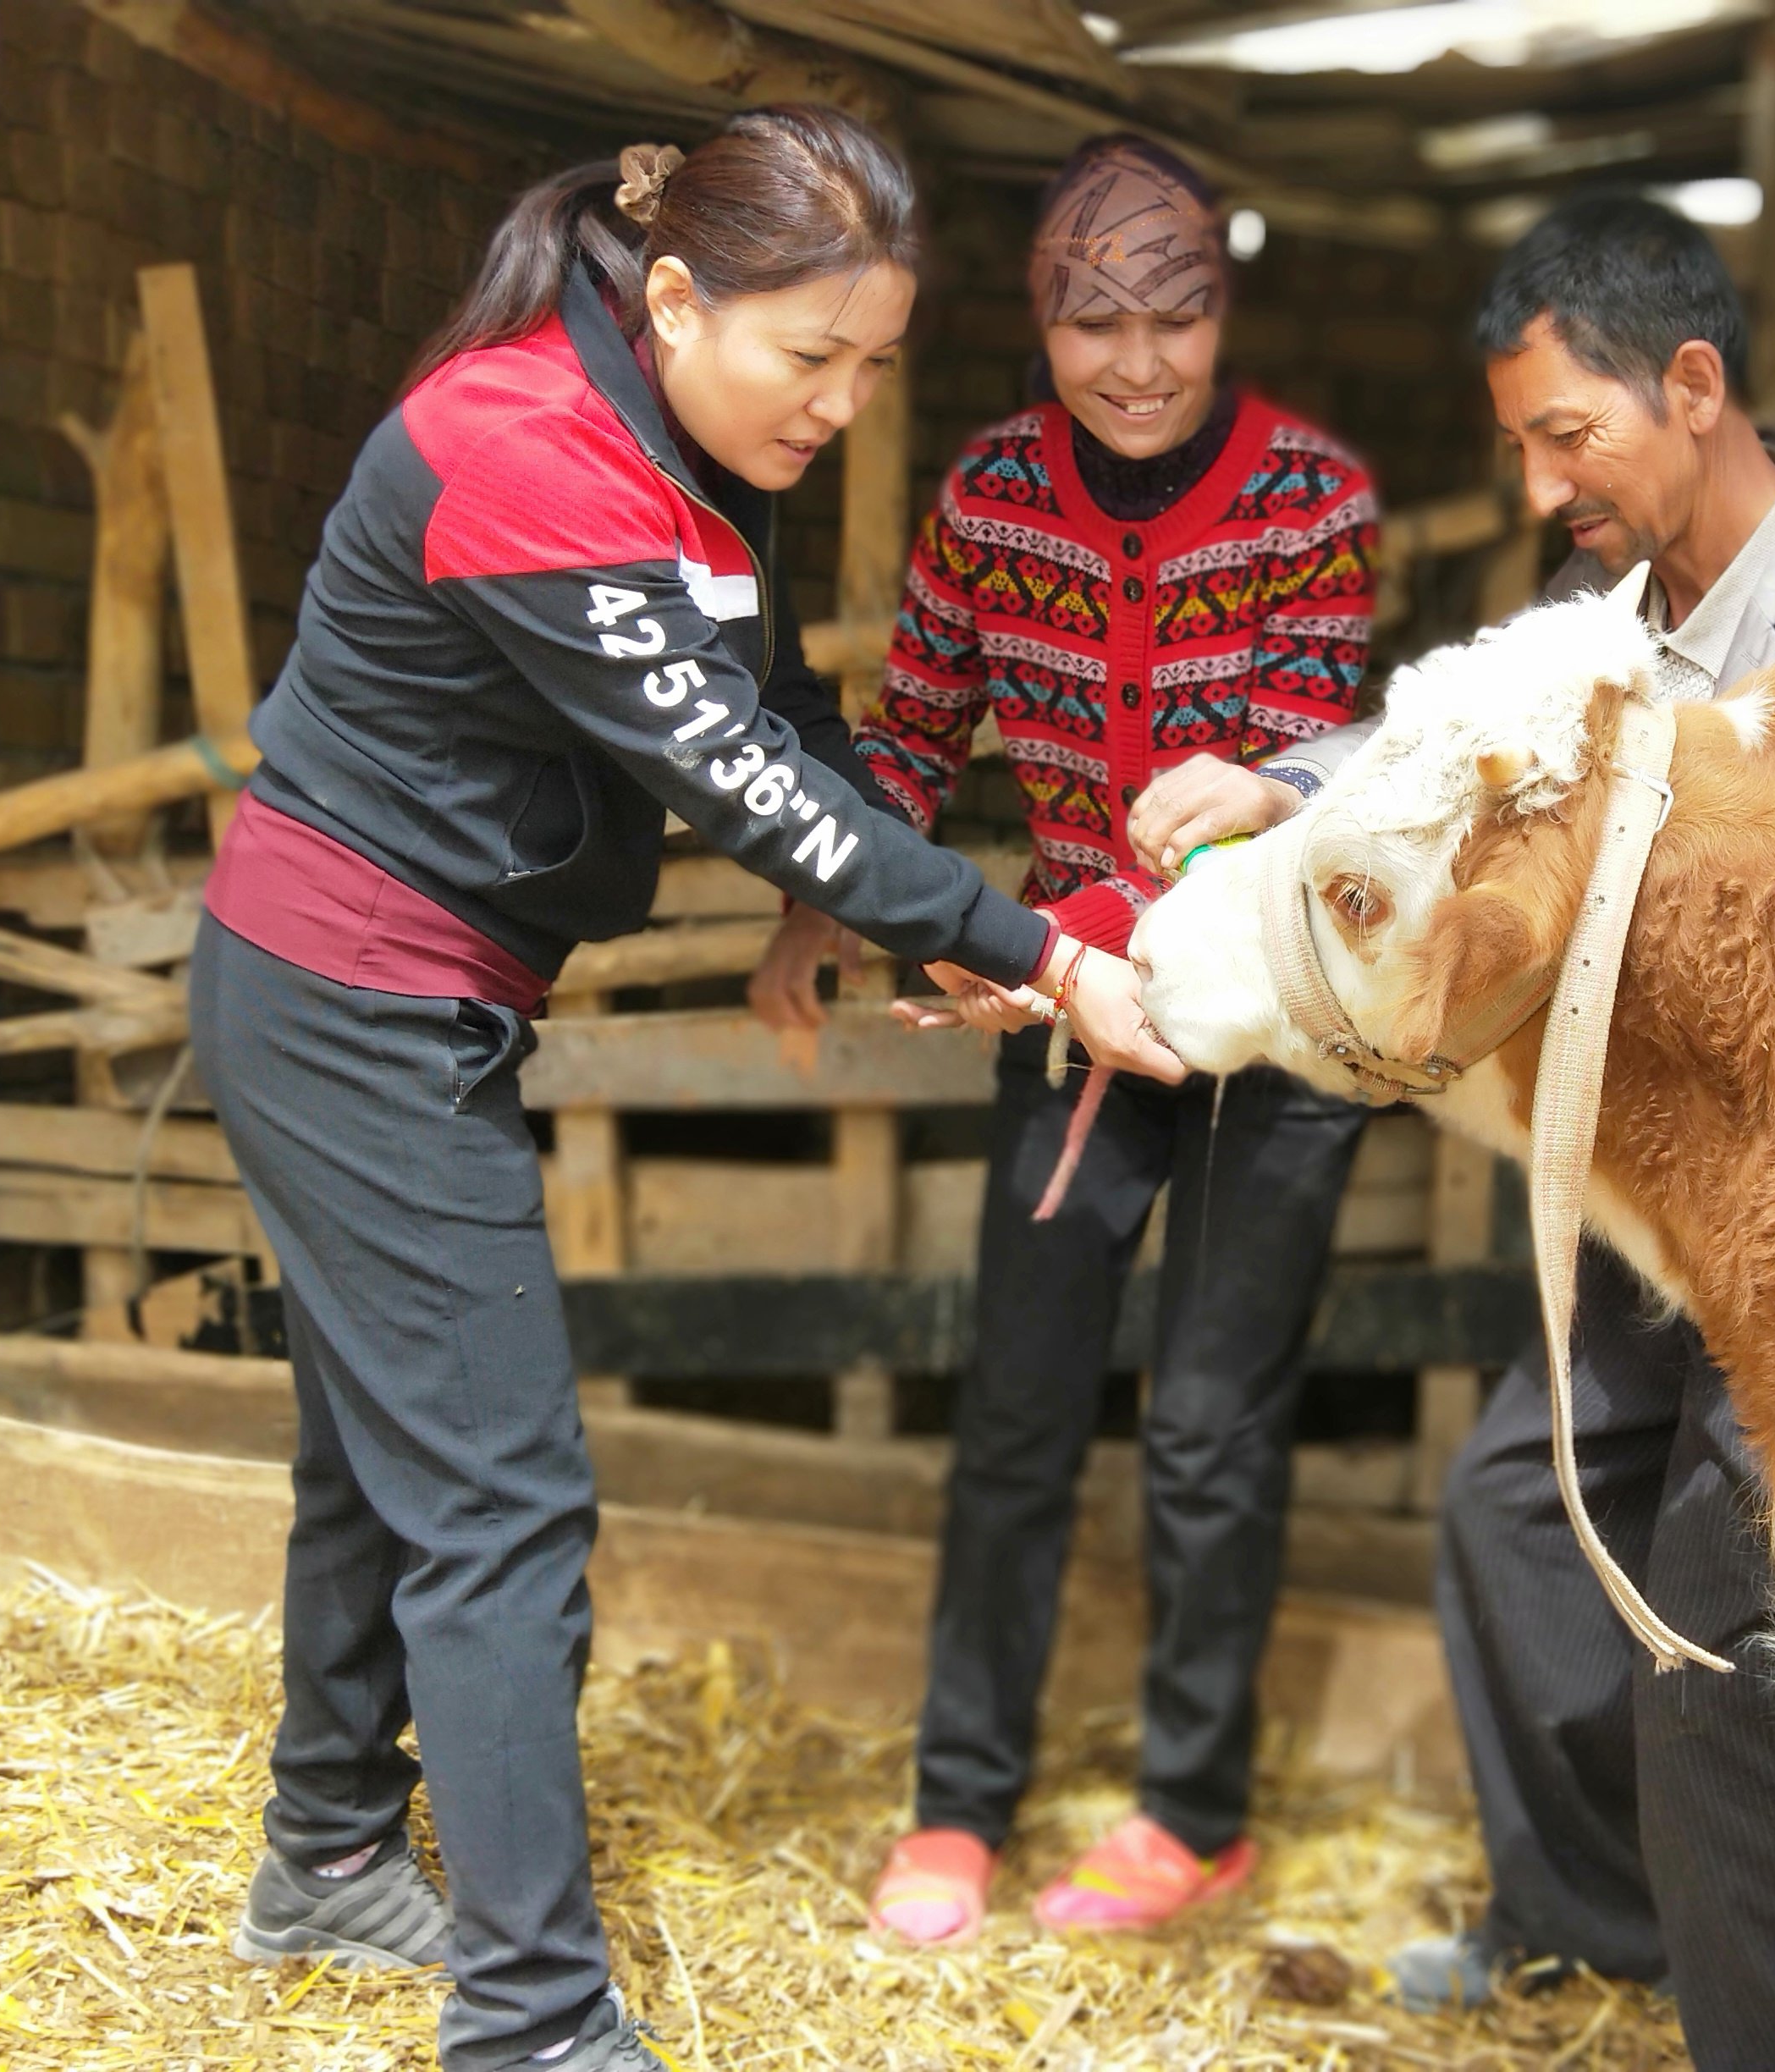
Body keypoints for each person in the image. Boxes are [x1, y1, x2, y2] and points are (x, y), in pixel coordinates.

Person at [191, 108, 1178, 2072]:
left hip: (393, 993)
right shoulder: (521, 450)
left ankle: (321, 1853)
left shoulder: (676, 437)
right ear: (669, 295)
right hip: (347, 995)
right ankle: (538, 2025)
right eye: (810, 356)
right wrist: (1040, 948)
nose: (840, 401)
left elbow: (781, 712)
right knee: (499, 1503)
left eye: (874, 362)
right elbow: (735, 785)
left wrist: (869, 914)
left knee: (381, 1465)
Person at [1172, 194, 1775, 2070]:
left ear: (1694, 387)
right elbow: (1467, 736)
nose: (1551, 481)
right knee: (1512, 1510)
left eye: (1572, 436)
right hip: (1663, 1198)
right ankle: (1592, 1929)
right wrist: (1285, 784)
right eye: (1525, 448)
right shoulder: (1620, 615)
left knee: (1714, 1625)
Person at [747, 134, 1379, 1948]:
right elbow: (914, 732)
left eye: (1175, 316)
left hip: (1270, 1032)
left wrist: (1219, 814)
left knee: (1207, 1428)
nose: (1139, 361)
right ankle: (960, 1807)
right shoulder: (990, 494)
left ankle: (1193, 1813)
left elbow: (1304, 761)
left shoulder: (1310, 497)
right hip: (1065, 1023)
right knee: (1017, 1412)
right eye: (1095, 319)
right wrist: (821, 903)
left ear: (1222, 309)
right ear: (1041, 318)